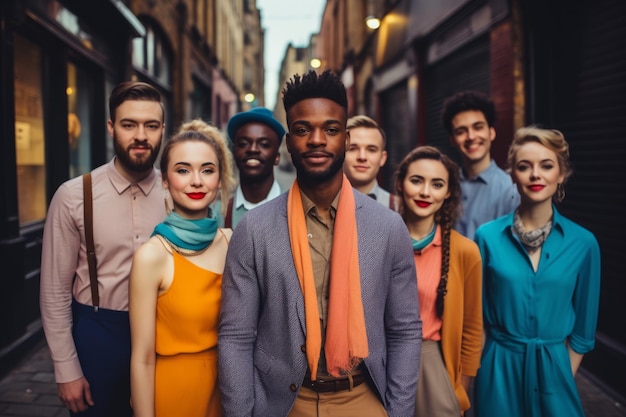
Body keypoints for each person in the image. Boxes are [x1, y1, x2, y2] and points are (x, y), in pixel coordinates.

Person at [218, 69, 422, 417]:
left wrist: (398, 411)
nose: (316, 140)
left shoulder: (388, 227)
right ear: (288, 142)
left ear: (344, 137)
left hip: (363, 399)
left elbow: (404, 330)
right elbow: (236, 336)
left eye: (329, 129)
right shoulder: (254, 229)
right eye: (302, 129)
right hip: (284, 404)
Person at [40, 81, 166, 416]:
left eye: (151, 125)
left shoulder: (177, 194)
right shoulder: (73, 196)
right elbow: (53, 293)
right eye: (129, 124)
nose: (141, 135)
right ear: (111, 127)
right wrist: (66, 369)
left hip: (165, 339)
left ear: (162, 130)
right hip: (98, 336)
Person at [474, 126, 601, 417]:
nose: (535, 175)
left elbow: (583, 330)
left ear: (562, 174)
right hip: (498, 368)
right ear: (512, 175)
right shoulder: (487, 237)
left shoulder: (584, 244)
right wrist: (478, 374)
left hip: (555, 368)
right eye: (524, 166)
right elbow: (477, 319)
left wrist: (560, 374)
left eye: (546, 165)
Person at [129, 120, 234, 417]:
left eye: (208, 170)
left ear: (219, 178)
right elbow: (142, 359)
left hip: (226, 393)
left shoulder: (232, 243)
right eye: (183, 170)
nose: (197, 181)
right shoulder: (152, 256)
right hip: (174, 395)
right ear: (165, 180)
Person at [394, 146, 482, 417]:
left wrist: (460, 388)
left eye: (437, 184)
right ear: (400, 184)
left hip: (433, 362)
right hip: (383, 358)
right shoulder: (379, 242)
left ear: (448, 193)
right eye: (416, 180)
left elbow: (471, 328)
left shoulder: (464, 251)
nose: (425, 192)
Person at [441, 90, 519, 239]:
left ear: (491, 133)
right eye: (461, 131)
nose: (471, 137)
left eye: (478, 127)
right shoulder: (444, 184)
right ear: (452, 139)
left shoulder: (510, 190)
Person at [214, 107, 286, 228]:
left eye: (264, 144)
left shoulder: (294, 210)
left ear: (277, 157)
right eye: (243, 144)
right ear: (234, 152)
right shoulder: (218, 214)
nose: (253, 149)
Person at [343, 115, 396, 209]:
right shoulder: (322, 203)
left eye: (371, 150)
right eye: (353, 148)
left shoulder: (399, 207)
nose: (362, 157)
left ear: (382, 158)